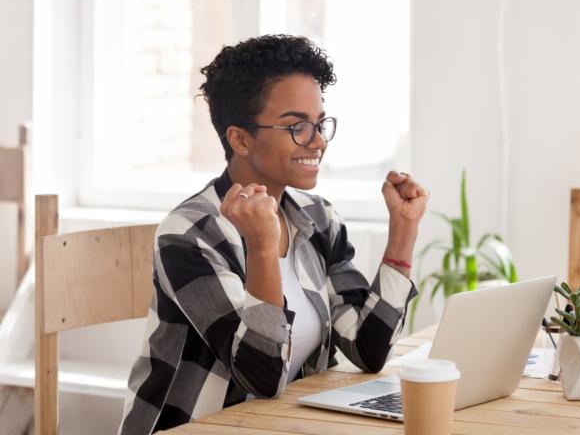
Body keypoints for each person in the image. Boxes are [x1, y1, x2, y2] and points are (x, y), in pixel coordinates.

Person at [119, 35, 428, 434]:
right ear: (240, 139)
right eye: (297, 126)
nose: (317, 141)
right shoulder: (190, 235)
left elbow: (367, 349)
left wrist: (402, 232)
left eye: (319, 124)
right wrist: (263, 248)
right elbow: (261, 375)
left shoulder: (318, 218)